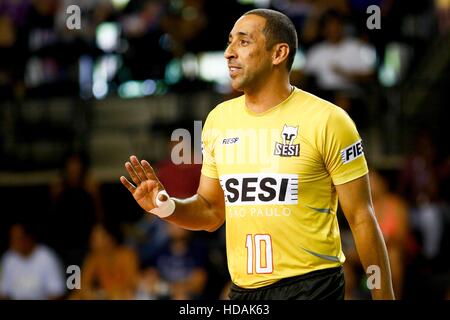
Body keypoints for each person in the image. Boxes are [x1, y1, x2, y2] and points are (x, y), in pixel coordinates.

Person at [120, 8, 394, 300]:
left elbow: (362, 217)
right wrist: (165, 206)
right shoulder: (218, 120)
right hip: (245, 292)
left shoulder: (328, 120)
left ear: (279, 54)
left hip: (312, 287)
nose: (228, 52)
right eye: (229, 42)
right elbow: (211, 211)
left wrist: (384, 296)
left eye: (243, 42)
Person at [0, 223, 66, 300]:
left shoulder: (46, 257)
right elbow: (3, 292)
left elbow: (57, 293)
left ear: (28, 238)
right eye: (12, 239)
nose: (14, 243)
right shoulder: (8, 258)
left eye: (17, 239)